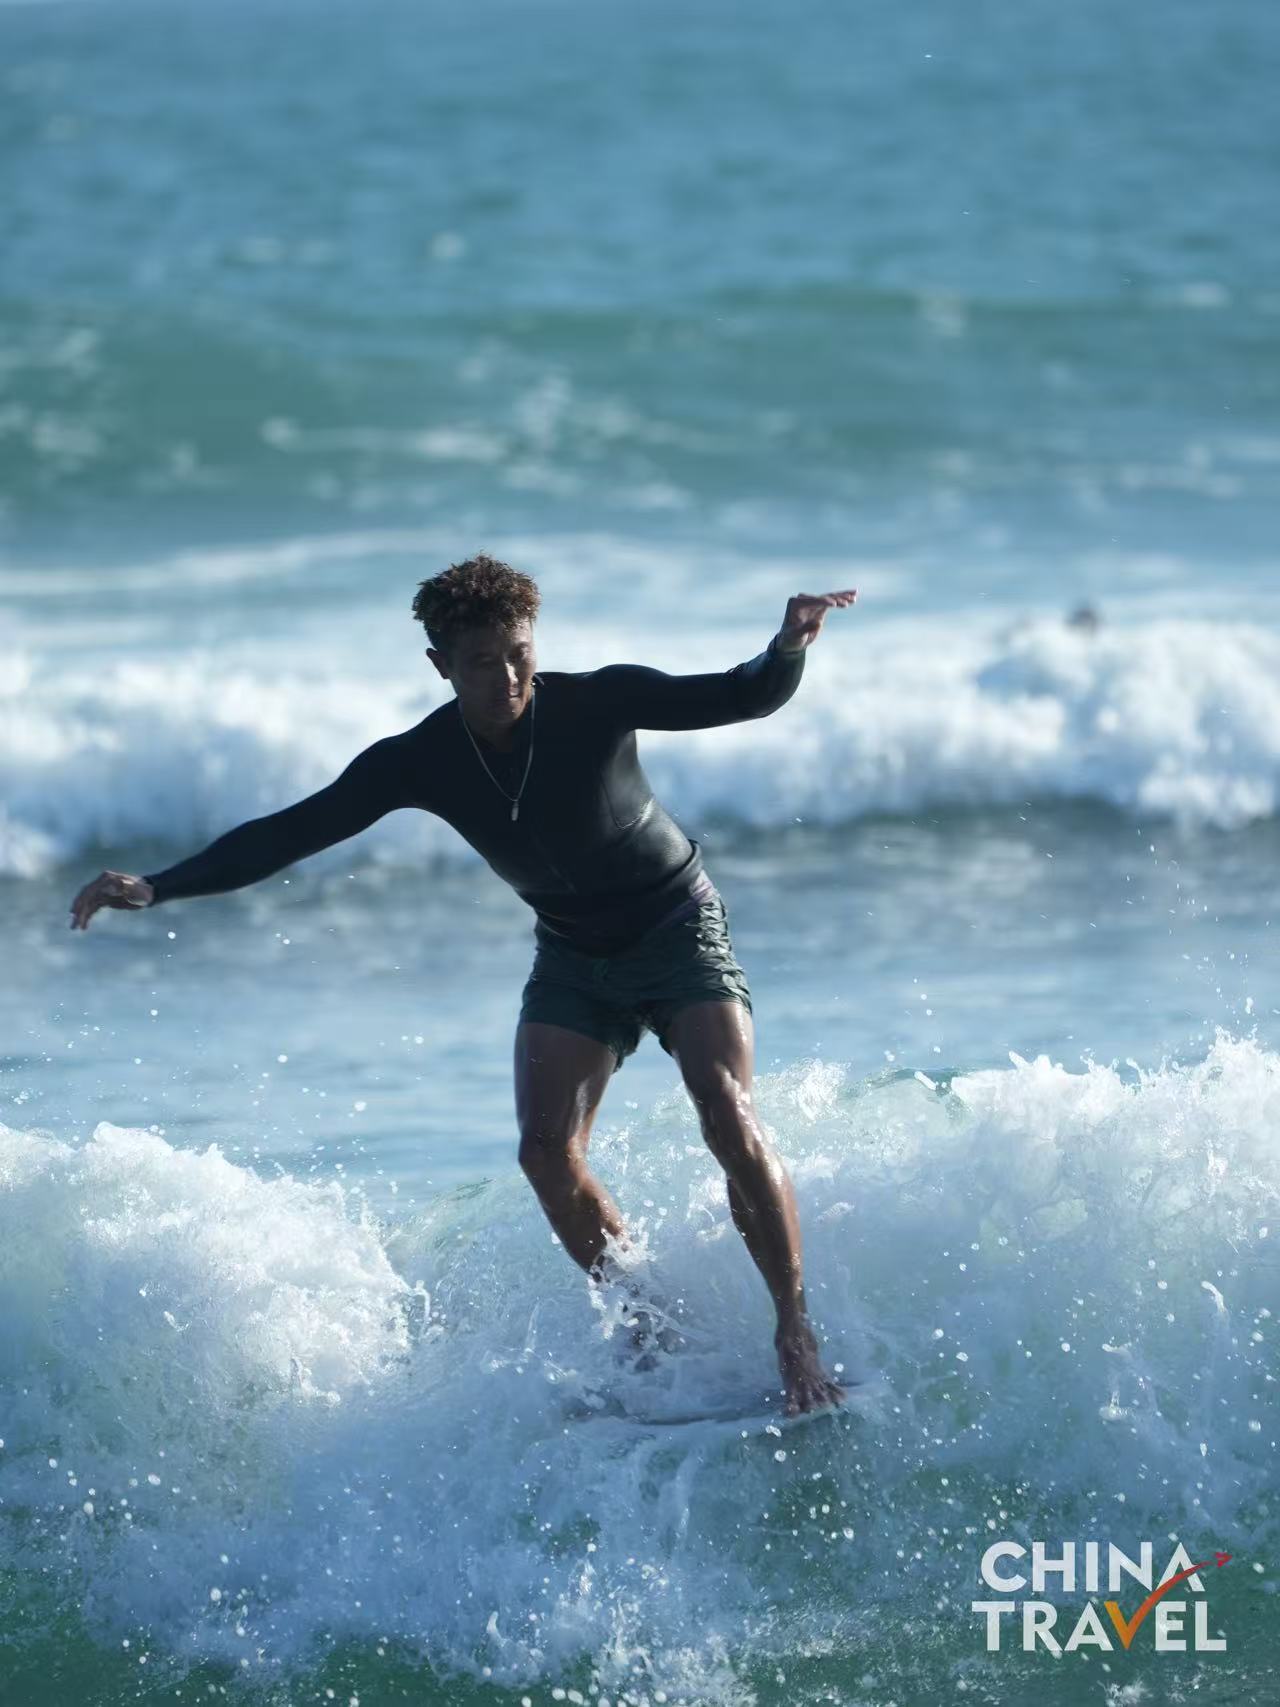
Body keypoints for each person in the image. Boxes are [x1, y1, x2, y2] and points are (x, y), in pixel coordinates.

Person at [69, 556, 856, 1414]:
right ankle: (647, 1322)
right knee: (544, 1152)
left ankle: (794, 1331)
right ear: (441, 666)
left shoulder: (596, 701)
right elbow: (292, 830)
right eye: (483, 662)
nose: (510, 676)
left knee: (724, 1106)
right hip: (572, 955)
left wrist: (786, 647)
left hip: (677, 928)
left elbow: (734, 696)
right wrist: (160, 884)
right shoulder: (420, 759)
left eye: (520, 652)